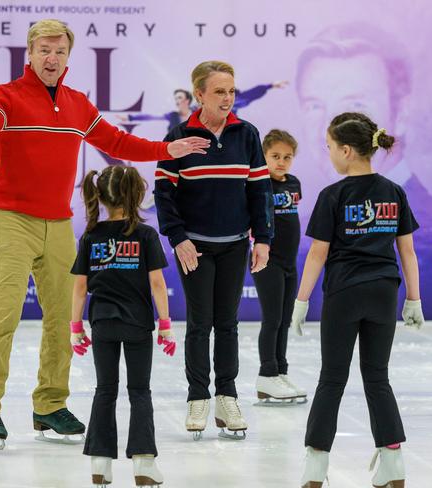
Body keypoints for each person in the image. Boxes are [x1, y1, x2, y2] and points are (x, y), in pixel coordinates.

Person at [0, 19, 209, 449]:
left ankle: (50, 405)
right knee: (5, 312)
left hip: (58, 222)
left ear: (67, 57)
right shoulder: (8, 96)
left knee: (63, 318)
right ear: (30, 54)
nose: (51, 58)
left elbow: (116, 142)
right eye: (44, 50)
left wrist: (163, 150)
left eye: (59, 52)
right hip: (12, 218)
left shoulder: (77, 104)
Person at [291, 113, 424, 487]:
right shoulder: (393, 191)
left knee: (331, 379)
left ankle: (315, 468)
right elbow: (408, 252)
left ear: (347, 151)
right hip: (384, 292)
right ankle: (394, 465)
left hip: (345, 294)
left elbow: (318, 254)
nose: (329, 153)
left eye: (330, 147)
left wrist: (301, 302)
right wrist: (413, 299)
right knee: (377, 378)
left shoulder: (333, 195)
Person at [294, 23, 432, 321]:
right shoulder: (320, 208)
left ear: (400, 112)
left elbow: (409, 252)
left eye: (355, 104)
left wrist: (414, 298)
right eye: (314, 105)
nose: (329, 124)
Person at [154, 60, 274, 440]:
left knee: (228, 323)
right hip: (194, 248)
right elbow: (163, 194)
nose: (227, 98)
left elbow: (259, 191)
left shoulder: (247, 135)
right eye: (219, 91)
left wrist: (264, 238)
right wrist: (178, 238)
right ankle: (197, 398)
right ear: (199, 95)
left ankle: (227, 396)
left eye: (232, 91)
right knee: (199, 323)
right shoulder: (177, 136)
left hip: (236, 245)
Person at [70, 165, 174, 487]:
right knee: (139, 390)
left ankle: (100, 465)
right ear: (136, 195)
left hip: (102, 323)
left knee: (105, 390)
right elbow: (157, 283)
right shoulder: (145, 235)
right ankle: (144, 464)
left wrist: (76, 327)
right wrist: (166, 325)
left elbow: (79, 288)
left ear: (100, 196)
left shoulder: (91, 235)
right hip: (137, 323)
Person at [251, 129, 307, 404]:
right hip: (267, 261)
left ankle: (280, 372)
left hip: (289, 262)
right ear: (263, 156)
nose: (281, 161)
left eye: (287, 157)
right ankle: (267, 373)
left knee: (284, 321)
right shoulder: (258, 184)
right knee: (272, 319)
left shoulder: (294, 183)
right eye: (275, 156)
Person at [118, 82, 288, 134]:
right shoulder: (173, 116)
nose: (177, 101)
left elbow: (247, 96)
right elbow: (152, 117)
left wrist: (270, 86)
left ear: (187, 99)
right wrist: (131, 118)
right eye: (175, 98)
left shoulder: (202, 109)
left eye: (180, 98)